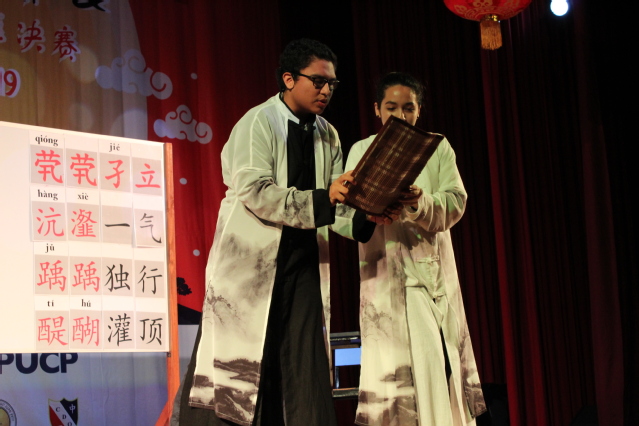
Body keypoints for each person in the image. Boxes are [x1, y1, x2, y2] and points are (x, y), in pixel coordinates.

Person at [176, 38, 356, 426]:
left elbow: (337, 204)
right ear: (289, 79)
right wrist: (326, 198)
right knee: (239, 366)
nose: (326, 90)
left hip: (303, 263)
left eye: (332, 84)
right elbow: (256, 191)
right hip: (252, 262)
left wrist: (368, 216)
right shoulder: (258, 122)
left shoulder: (328, 134)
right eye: (318, 81)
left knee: (303, 363)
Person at [336, 72, 486, 425]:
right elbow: (343, 216)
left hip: (427, 277)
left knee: (432, 365)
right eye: (391, 108)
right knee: (391, 377)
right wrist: (371, 211)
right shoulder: (361, 150)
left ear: (419, 110)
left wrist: (419, 202)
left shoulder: (437, 147)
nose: (400, 116)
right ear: (377, 109)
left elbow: (456, 202)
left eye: (409, 108)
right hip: (384, 279)